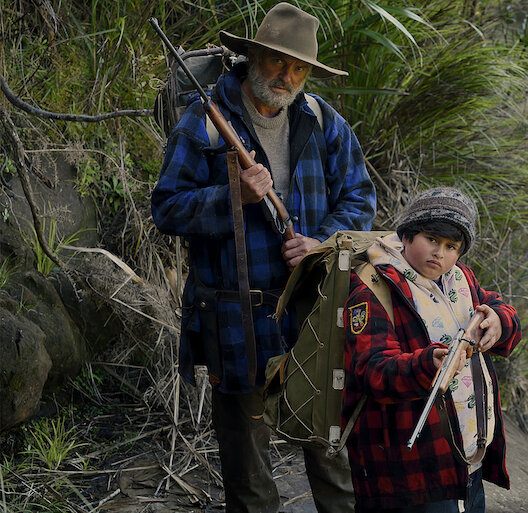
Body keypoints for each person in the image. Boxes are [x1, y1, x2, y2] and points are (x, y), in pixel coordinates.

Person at [150, 3, 376, 512]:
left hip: (311, 312)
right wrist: (233, 195)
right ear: (252, 56)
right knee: (248, 473)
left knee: (333, 456)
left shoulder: (321, 120)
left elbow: (360, 197)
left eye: (298, 68)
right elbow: (166, 207)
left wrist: (322, 243)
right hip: (235, 318)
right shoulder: (204, 121)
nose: (286, 76)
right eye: (277, 61)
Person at [342, 187, 522, 512]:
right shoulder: (373, 288)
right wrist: (427, 364)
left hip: (467, 460)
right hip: (410, 471)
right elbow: (372, 370)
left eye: (451, 246)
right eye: (432, 239)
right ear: (407, 234)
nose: (439, 253)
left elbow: (496, 306)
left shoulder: (460, 278)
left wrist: (499, 321)